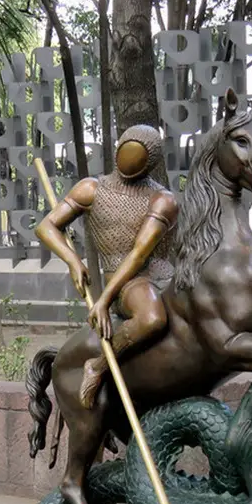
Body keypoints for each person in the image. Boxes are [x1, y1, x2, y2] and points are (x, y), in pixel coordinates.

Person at [35, 125, 178, 407]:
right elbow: (46, 227)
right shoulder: (91, 189)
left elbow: (141, 251)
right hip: (133, 283)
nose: (131, 160)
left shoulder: (163, 200)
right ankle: (98, 366)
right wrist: (73, 260)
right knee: (152, 319)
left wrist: (101, 299)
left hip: (165, 276)